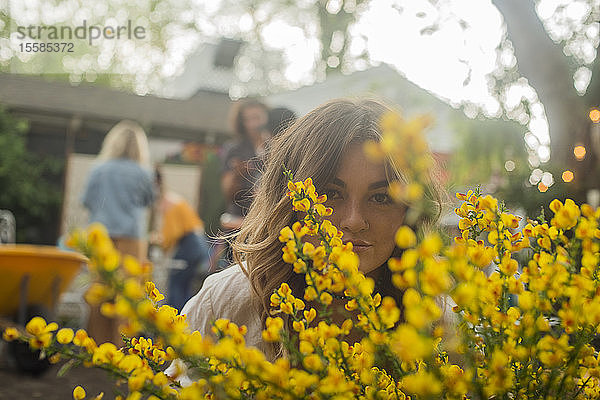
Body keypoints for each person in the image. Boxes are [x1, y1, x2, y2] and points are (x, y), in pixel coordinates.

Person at [166, 98, 443, 382]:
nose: (354, 221)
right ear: (287, 200)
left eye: (381, 198)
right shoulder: (225, 302)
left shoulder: (443, 317)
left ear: (411, 210)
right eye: (331, 194)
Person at [81, 119, 155, 344]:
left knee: (99, 291)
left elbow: (85, 201)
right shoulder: (143, 172)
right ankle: (121, 348)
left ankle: (96, 346)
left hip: (101, 236)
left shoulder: (99, 169)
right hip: (132, 237)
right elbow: (148, 201)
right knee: (127, 294)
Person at [218, 99, 270, 264]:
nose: (253, 124)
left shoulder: (275, 146)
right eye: (248, 119)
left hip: (265, 224)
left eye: (257, 117)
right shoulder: (234, 149)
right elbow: (226, 193)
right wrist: (237, 174)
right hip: (238, 225)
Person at [152, 167, 210, 312]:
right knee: (185, 285)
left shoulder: (167, 202)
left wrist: (159, 241)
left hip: (190, 244)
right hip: (199, 243)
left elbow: (172, 233)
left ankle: (174, 321)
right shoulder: (173, 198)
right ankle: (185, 321)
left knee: (176, 284)